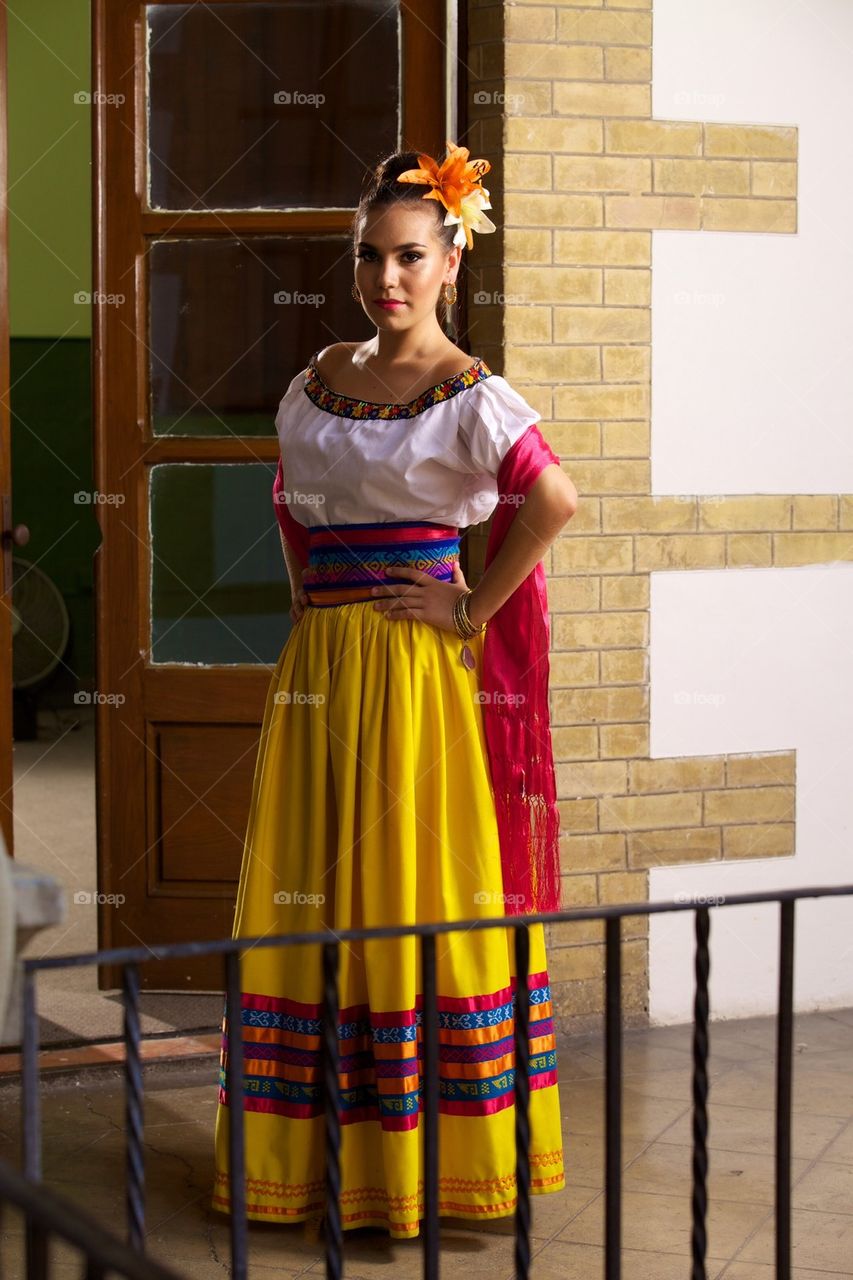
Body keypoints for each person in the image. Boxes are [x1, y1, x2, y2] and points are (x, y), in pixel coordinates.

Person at [211, 140, 578, 1241]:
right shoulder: (315, 379)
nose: (388, 279)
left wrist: (470, 610)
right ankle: (317, 1161)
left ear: (453, 259)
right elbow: (291, 502)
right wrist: (312, 617)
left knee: (412, 895)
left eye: (411, 257)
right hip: (322, 667)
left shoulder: (472, 395)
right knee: (315, 902)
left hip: (416, 681)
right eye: (370, 257)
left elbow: (553, 499)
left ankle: (427, 1169)